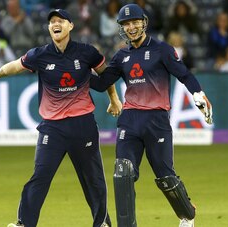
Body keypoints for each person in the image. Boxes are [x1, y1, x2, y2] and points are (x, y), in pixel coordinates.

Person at [0, 9, 122, 227]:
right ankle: (24, 223)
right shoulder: (40, 54)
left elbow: (105, 74)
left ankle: (102, 223)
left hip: (83, 125)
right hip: (53, 128)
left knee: (93, 179)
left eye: (60, 21)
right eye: (52, 21)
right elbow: (15, 65)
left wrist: (114, 99)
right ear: (49, 28)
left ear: (70, 26)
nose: (56, 24)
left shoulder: (87, 52)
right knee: (40, 176)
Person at [90, 4, 213, 227]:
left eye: (135, 22)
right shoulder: (121, 56)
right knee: (123, 173)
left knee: (166, 176)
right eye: (126, 24)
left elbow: (184, 74)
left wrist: (198, 94)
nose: (131, 27)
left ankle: (187, 215)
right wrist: (76, 71)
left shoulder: (162, 49)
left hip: (157, 120)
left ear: (144, 22)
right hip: (130, 120)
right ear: (122, 28)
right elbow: (100, 84)